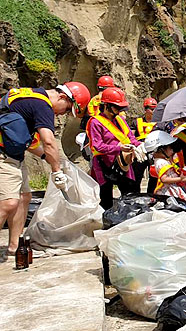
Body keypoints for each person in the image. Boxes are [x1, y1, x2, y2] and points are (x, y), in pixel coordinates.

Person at [0, 82, 90, 264]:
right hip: (3, 156)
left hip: (13, 155)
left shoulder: (30, 98)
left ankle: (15, 246)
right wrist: (56, 171)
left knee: (24, 197)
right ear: (63, 97)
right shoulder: (43, 105)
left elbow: (31, 144)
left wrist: (49, 158)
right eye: (66, 110)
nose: (61, 114)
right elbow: (48, 142)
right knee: (8, 202)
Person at [87, 87, 141, 210]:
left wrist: (140, 146)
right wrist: (118, 148)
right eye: (117, 107)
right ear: (106, 106)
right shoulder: (95, 122)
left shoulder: (120, 120)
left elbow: (130, 138)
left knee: (129, 192)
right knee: (105, 198)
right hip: (103, 163)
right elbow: (97, 146)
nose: (119, 110)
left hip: (123, 161)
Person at [144, 130, 186, 203]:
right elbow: (164, 179)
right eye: (170, 148)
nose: (172, 150)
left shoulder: (161, 160)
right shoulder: (161, 162)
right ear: (161, 150)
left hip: (171, 188)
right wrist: (180, 179)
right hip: (169, 191)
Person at [134, 98, 158, 194]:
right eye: (151, 109)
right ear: (145, 109)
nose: (154, 111)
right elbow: (130, 135)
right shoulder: (136, 121)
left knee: (154, 176)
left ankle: (151, 196)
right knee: (137, 175)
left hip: (154, 151)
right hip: (141, 151)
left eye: (155, 109)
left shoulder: (159, 122)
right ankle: (136, 195)